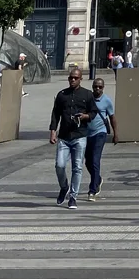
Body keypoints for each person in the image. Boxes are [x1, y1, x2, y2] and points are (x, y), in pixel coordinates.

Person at [49, 67, 97, 209]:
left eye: (76, 78)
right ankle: (64, 187)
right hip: (64, 136)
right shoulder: (62, 94)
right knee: (59, 165)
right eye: (71, 78)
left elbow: (93, 112)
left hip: (80, 136)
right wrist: (53, 131)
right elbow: (55, 114)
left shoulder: (87, 95)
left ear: (80, 79)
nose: (73, 80)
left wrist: (85, 116)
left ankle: (73, 197)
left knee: (77, 167)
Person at [84, 76, 117, 202]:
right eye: (95, 86)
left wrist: (116, 134)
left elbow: (112, 117)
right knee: (88, 161)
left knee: (95, 160)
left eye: (100, 87)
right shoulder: (88, 98)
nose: (97, 89)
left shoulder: (107, 101)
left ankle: (92, 190)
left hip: (100, 133)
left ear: (103, 88)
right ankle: (97, 179)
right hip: (87, 133)